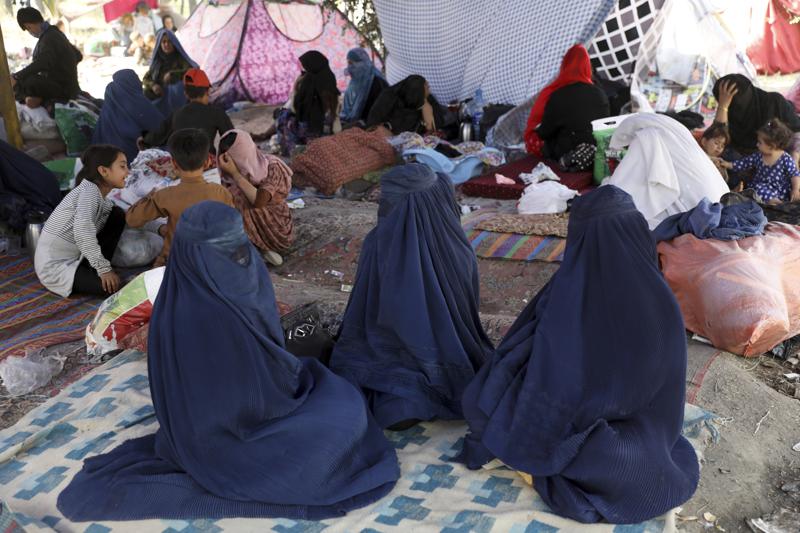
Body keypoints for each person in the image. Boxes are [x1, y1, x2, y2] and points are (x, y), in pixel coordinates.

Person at [56, 201, 400, 522]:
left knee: (341, 400)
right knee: (335, 429)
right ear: (196, 255)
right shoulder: (191, 311)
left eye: (238, 246)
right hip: (223, 435)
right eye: (223, 251)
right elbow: (237, 393)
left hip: (255, 404)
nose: (237, 258)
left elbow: (269, 357)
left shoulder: (228, 278)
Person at [458, 185, 700, 524]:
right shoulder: (657, 302)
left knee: (613, 458)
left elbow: (542, 367)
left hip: (626, 430)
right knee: (622, 462)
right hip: (624, 431)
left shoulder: (617, 300)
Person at [329, 164, 493, 430]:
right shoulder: (456, 244)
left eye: (390, 200)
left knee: (384, 405)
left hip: (406, 356)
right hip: (436, 356)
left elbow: (380, 319)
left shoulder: (384, 246)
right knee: (393, 409)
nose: (384, 206)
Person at [126, 128, 234, 267]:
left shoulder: (164, 196)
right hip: (213, 261)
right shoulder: (221, 192)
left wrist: (149, 196)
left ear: (174, 164)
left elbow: (132, 220)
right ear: (207, 162)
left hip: (178, 263)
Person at [605, 113, 730, 229]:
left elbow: (621, 185)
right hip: (721, 210)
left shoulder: (648, 137)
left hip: (701, 217)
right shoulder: (681, 139)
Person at [34, 145, 128, 298]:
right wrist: (104, 270)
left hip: (78, 258)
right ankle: (100, 271)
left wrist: (160, 229)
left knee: (116, 215)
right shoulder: (88, 192)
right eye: (122, 166)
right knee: (119, 291)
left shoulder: (98, 196)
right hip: (56, 268)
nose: (127, 172)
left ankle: (95, 269)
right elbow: (83, 233)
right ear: (104, 171)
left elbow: (129, 216)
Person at [217, 130, 293, 267]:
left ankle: (261, 247)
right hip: (248, 226)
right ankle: (252, 246)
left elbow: (259, 202)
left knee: (238, 198)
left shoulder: (272, 167)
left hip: (276, 227)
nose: (228, 161)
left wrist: (236, 174)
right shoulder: (228, 171)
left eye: (233, 157)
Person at [524, 45, 609, 161]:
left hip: (567, 155)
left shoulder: (558, 95)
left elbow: (544, 133)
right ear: (587, 67)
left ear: (565, 65)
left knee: (537, 138)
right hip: (595, 153)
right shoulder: (600, 93)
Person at [140, 68, 233, 151]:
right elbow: (231, 138)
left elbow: (157, 137)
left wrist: (144, 140)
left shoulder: (176, 114)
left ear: (185, 94)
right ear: (208, 91)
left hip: (184, 165)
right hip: (207, 163)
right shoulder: (216, 113)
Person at [713, 74, 800, 162]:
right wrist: (723, 107)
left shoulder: (774, 103)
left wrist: (794, 160)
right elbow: (716, 137)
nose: (737, 108)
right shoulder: (727, 112)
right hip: (747, 161)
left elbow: (797, 131)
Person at [12, 7, 83, 108]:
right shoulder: (55, 33)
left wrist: (16, 76)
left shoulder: (50, 37)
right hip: (68, 86)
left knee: (28, 81)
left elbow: (43, 62)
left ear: (31, 23)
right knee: (28, 78)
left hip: (64, 90)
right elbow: (78, 56)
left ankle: (28, 98)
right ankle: (33, 97)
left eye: (29, 28)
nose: (30, 32)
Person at [718, 119, 800, 204]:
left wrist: (795, 190)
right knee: (756, 189)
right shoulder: (759, 156)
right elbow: (744, 163)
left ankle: (778, 203)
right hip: (759, 188)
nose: (757, 145)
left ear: (771, 147)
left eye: (760, 143)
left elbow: (795, 175)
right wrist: (727, 164)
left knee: (760, 189)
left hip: (779, 192)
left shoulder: (786, 159)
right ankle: (773, 203)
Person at [92, 70, 164, 164]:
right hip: (139, 166)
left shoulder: (108, 110)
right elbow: (164, 131)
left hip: (108, 168)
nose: (140, 82)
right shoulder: (141, 106)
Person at [366, 75, 444, 134]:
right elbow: (372, 126)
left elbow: (434, 130)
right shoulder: (388, 97)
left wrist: (426, 108)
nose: (429, 92)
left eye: (428, 87)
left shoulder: (426, 99)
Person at [142, 29, 197, 103]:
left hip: (177, 97)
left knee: (176, 86)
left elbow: (191, 71)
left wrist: (173, 74)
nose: (166, 44)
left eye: (169, 41)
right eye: (163, 42)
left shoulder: (180, 58)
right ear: (160, 44)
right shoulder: (157, 61)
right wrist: (153, 85)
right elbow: (146, 78)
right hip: (160, 96)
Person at [341, 47, 387, 125]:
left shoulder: (377, 82)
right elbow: (347, 112)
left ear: (363, 63)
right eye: (348, 63)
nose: (349, 67)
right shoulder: (354, 84)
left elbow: (381, 110)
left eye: (352, 63)